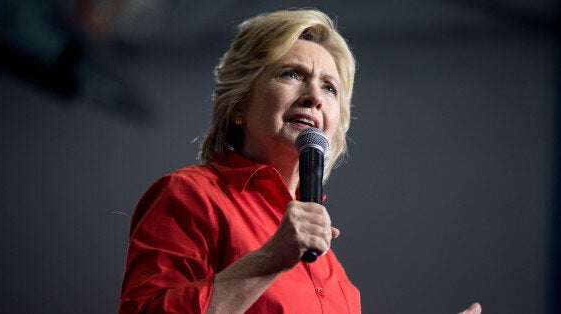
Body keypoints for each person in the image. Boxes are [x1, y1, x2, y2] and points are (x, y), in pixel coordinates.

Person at [119, 9, 482, 314]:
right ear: (240, 104)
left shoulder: (331, 267)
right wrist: (269, 259)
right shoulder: (191, 195)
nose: (314, 97)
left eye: (330, 87)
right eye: (291, 74)